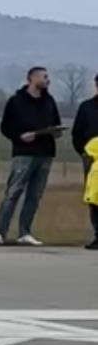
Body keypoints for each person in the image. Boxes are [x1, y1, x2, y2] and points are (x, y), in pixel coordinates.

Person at [0, 66, 62, 246]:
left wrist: (55, 132)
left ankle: (25, 232)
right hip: (24, 153)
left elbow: (56, 122)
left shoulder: (49, 101)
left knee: (34, 195)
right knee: (13, 192)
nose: (47, 80)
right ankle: (0, 232)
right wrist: (19, 136)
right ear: (32, 78)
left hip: (45, 153)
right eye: (44, 77)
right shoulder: (16, 101)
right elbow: (5, 127)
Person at [72, 74, 98, 250]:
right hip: (92, 160)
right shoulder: (86, 107)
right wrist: (83, 152)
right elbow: (77, 133)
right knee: (94, 198)